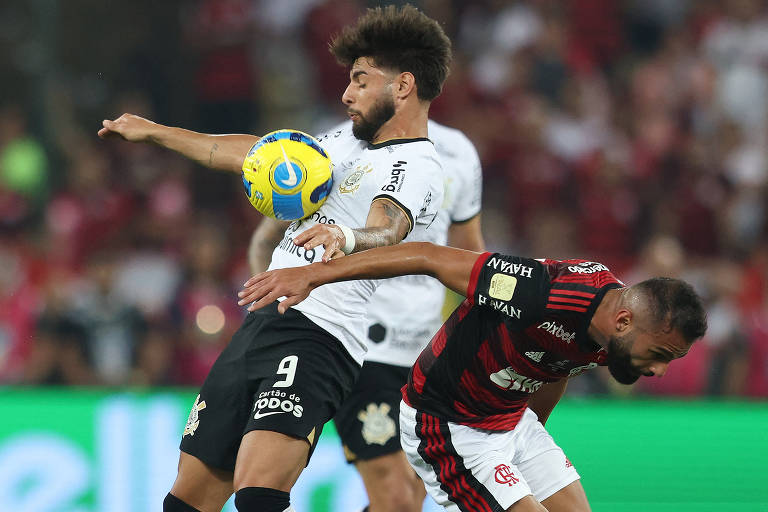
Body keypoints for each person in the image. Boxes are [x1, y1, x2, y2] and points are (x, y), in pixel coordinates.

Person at [98, 5, 452, 512]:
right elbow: (253, 154)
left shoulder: (415, 164)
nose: (346, 93)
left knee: (258, 496)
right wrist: (155, 131)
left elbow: (388, 228)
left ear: (403, 86)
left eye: (360, 80)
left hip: (321, 338)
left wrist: (345, 238)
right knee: (184, 503)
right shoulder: (340, 143)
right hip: (260, 326)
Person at [237, 242, 708, 512]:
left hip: (509, 418)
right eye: (661, 354)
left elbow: (558, 364)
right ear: (625, 323)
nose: (659, 370)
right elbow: (425, 255)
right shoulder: (537, 292)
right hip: (447, 422)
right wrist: (314, 275)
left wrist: (528, 437)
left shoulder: (613, 332)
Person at [248, 119, 484, 512]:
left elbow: (469, 253)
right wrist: (273, 319)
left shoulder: (459, 149)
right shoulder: (337, 146)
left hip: (426, 354)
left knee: (410, 496)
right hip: (358, 344)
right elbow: (268, 237)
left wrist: (484, 336)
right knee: (394, 496)